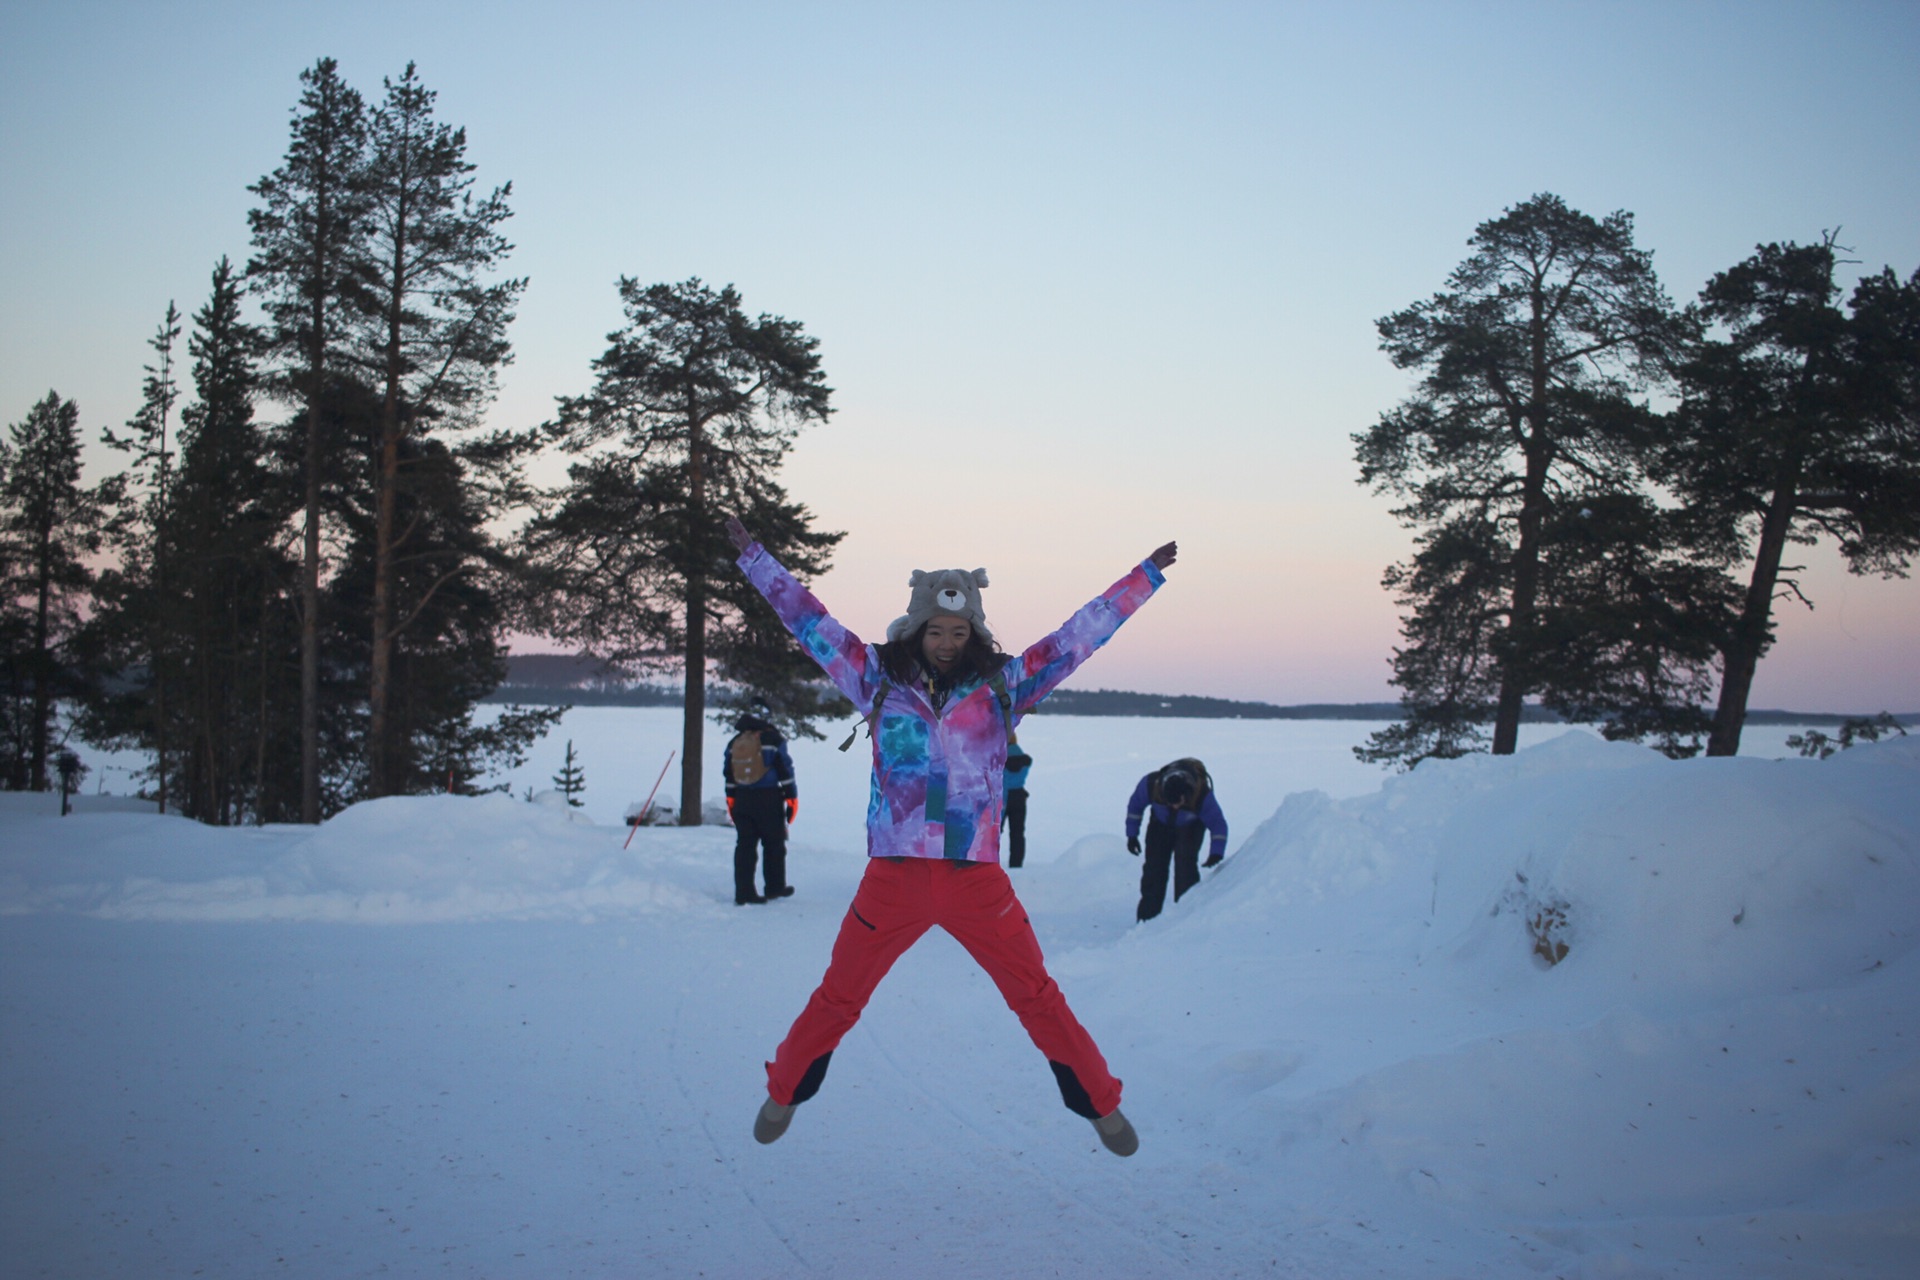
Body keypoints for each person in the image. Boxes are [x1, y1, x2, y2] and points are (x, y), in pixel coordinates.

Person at [726, 513, 1176, 1158]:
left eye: (958, 630)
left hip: (976, 882)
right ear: (914, 629)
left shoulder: (1004, 689)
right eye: (935, 629)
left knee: (1037, 997)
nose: (945, 640)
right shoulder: (875, 681)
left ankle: (1101, 1104)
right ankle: (784, 1091)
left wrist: (1144, 577)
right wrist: (756, 561)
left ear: (974, 633)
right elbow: (810, 625)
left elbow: (1076, 640)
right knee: (839, 996)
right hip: (894, 879)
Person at [1125, 758, 1227, 922]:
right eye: (1169, 803)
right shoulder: (1151, 784)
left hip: (1190, 827)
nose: (1174, 807)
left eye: (1178, 803)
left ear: (1186, 795)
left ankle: (1184, 920)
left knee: (1185, 869)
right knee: (1154, 870)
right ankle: (1146, 921)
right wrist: (1132, 835)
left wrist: (1216, 852)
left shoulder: (1202, 795)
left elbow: (1218, 825)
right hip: (1160, 825)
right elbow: (1135, 807)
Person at [722, 712, 798, 905]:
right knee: (774, 844)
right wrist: (791, 797)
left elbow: (728, 773)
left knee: (745, 845)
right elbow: (785, 769)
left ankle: (744, 893)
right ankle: (774, 887)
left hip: (742, 798)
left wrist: (731, 799)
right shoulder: (773, 739)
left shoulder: (734, 742)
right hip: (768, 798)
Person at [1002, 735, 1033, 868]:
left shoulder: (998, 759)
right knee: (1018, 833)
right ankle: (1016, 864)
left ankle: (989, 863)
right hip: (1019, 797)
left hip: (1002, 797)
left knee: (994, 832)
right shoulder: (1025, 761)